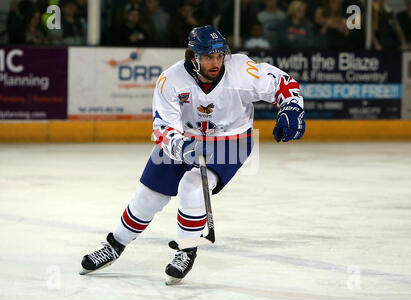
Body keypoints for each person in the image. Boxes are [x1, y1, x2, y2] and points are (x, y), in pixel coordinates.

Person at [79, 25, 306, 285]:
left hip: (231, 140)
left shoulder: (241, 70)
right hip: (185, 139)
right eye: (209, 56)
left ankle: (186, 249)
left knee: (193, 185)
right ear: (193, 56)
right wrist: (182, 147)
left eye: (220, 55)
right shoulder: (171, 80)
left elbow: (282, 83)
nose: (216, 62)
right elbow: (163, 128)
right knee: (148, 197)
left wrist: (291, 107)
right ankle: (115, 245)